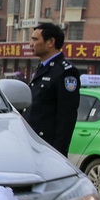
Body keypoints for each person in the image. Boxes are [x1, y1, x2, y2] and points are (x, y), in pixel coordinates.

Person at [23, 22, 80, 155]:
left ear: (50, 42)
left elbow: (66, 117)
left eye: (35, 39)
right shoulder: (43, 68)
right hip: (32, 143)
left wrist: (57, 153)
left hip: (47, 147)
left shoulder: (65, 71)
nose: (31, 44)